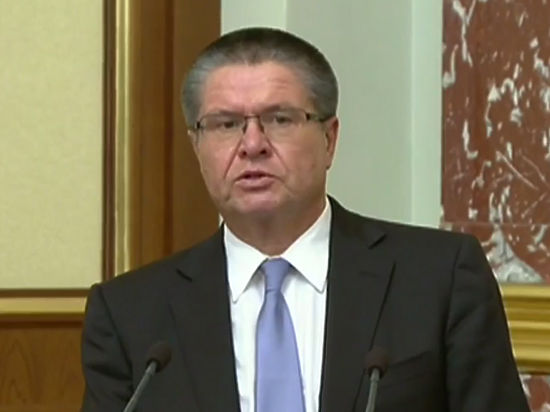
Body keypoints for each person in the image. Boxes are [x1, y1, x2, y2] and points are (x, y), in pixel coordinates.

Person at [81, 27, 530, 412]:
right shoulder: (129, 316)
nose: (252, 145)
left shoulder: (438, 279)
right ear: (196, 146)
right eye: (225, 124)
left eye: (279, 119)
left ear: (329, 139)